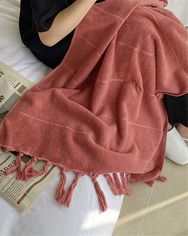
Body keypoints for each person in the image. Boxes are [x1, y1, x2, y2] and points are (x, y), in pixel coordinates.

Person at [19, 0, 188, 164]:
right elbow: (50, 36)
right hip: (65, 34)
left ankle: (178, 110)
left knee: (163, 25)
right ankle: (159, 117)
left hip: (103, 9)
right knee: (142, 28)